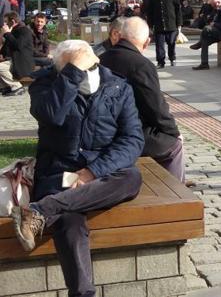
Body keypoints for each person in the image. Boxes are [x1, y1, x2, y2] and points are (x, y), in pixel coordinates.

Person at [12, 40, 144, 297]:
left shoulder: (118, 86)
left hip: (100, 176)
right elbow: (52, 115)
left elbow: (132, 140)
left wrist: (92, 172)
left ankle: (39, 211)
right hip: (58, 173)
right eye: (71, 70)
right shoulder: (45, 84)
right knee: (69, 222)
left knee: (132, 176)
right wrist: (72, 73)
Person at [100, 17, 186, 182]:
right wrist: (174, 132)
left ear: (120, 36)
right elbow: (156, 108)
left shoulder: (102, 59)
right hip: (127, 134)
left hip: (103, 131)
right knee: (175, 145)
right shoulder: (141, 64)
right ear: (146, 42)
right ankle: (175, 190)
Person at [144, 0, 182, 68]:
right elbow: (149, 11)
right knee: (159, 45)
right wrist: (150, 25)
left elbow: (178, 9)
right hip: (158, 24)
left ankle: (172, 58)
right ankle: (161, 62)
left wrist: (179, 24)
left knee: (171, 43)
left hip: (171, 24)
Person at [0, 12, 34, 96]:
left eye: (6, 22)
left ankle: (17, 86)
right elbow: (5, 50)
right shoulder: (13, 31)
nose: (4, 24)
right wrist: (3, 35)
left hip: (22, 62)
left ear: (13, 21)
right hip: (13, 60)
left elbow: (18, 45)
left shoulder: (24, 30)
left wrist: (7, 33)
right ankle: (7, 86)